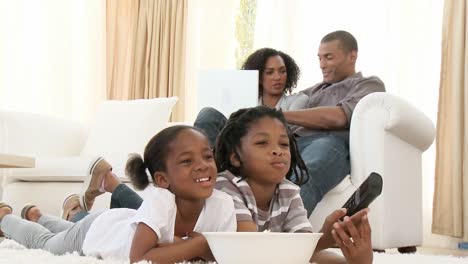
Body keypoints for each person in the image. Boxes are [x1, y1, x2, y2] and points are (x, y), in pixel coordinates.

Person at [0, 125, 236, 263]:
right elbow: (140, 257)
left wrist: (185, 246)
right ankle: (4, 217)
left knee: (66, 230)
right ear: (162, 180)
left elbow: (223, 256)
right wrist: (197, 245)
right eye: (187, 161)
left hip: (119, 222)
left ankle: (38, 215)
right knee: (48, 243)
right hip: (97, 232)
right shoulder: (161, 200)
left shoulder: (223, 204)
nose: (203, 165)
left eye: (207, 156)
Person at [214, 106, 373, 264]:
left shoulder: (288, 191)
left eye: (283, 144)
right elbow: (253, 249)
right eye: (262, 143)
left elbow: (303, 251)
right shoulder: (226, 186)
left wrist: (352, 258)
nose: (278, 151)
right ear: (235, 157)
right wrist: (322, 239)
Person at [282, 30, 385, 215]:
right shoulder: (314, 90)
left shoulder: (368, 84)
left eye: (328, 58)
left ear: (352, 56)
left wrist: (282, 116)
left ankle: (285, 241)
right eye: (320, 58)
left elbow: (339, 117)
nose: (322, 65)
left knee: (304, 172)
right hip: (290, 142)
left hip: (328, 143)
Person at [195, 47, 308, 146]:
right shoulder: (246, 99)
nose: (278, 77)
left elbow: (283, 131)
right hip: (237, 143)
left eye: (282, 71)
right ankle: (210, 161)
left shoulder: (298, 100)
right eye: (270, 72)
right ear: (258, 77)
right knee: (207, 113)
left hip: (264, 146)